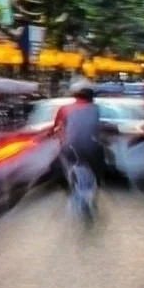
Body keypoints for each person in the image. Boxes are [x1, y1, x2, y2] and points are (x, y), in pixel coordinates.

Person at [54, 83, 106, 219]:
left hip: (69, 149)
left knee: (60, 167)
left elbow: (57, 127)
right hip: (91, 147)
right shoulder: (95, 109)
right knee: (98, 167)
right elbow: (97, 128)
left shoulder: (64, 109)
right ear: (91, 98)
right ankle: (94, 189)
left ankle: (69, 188)